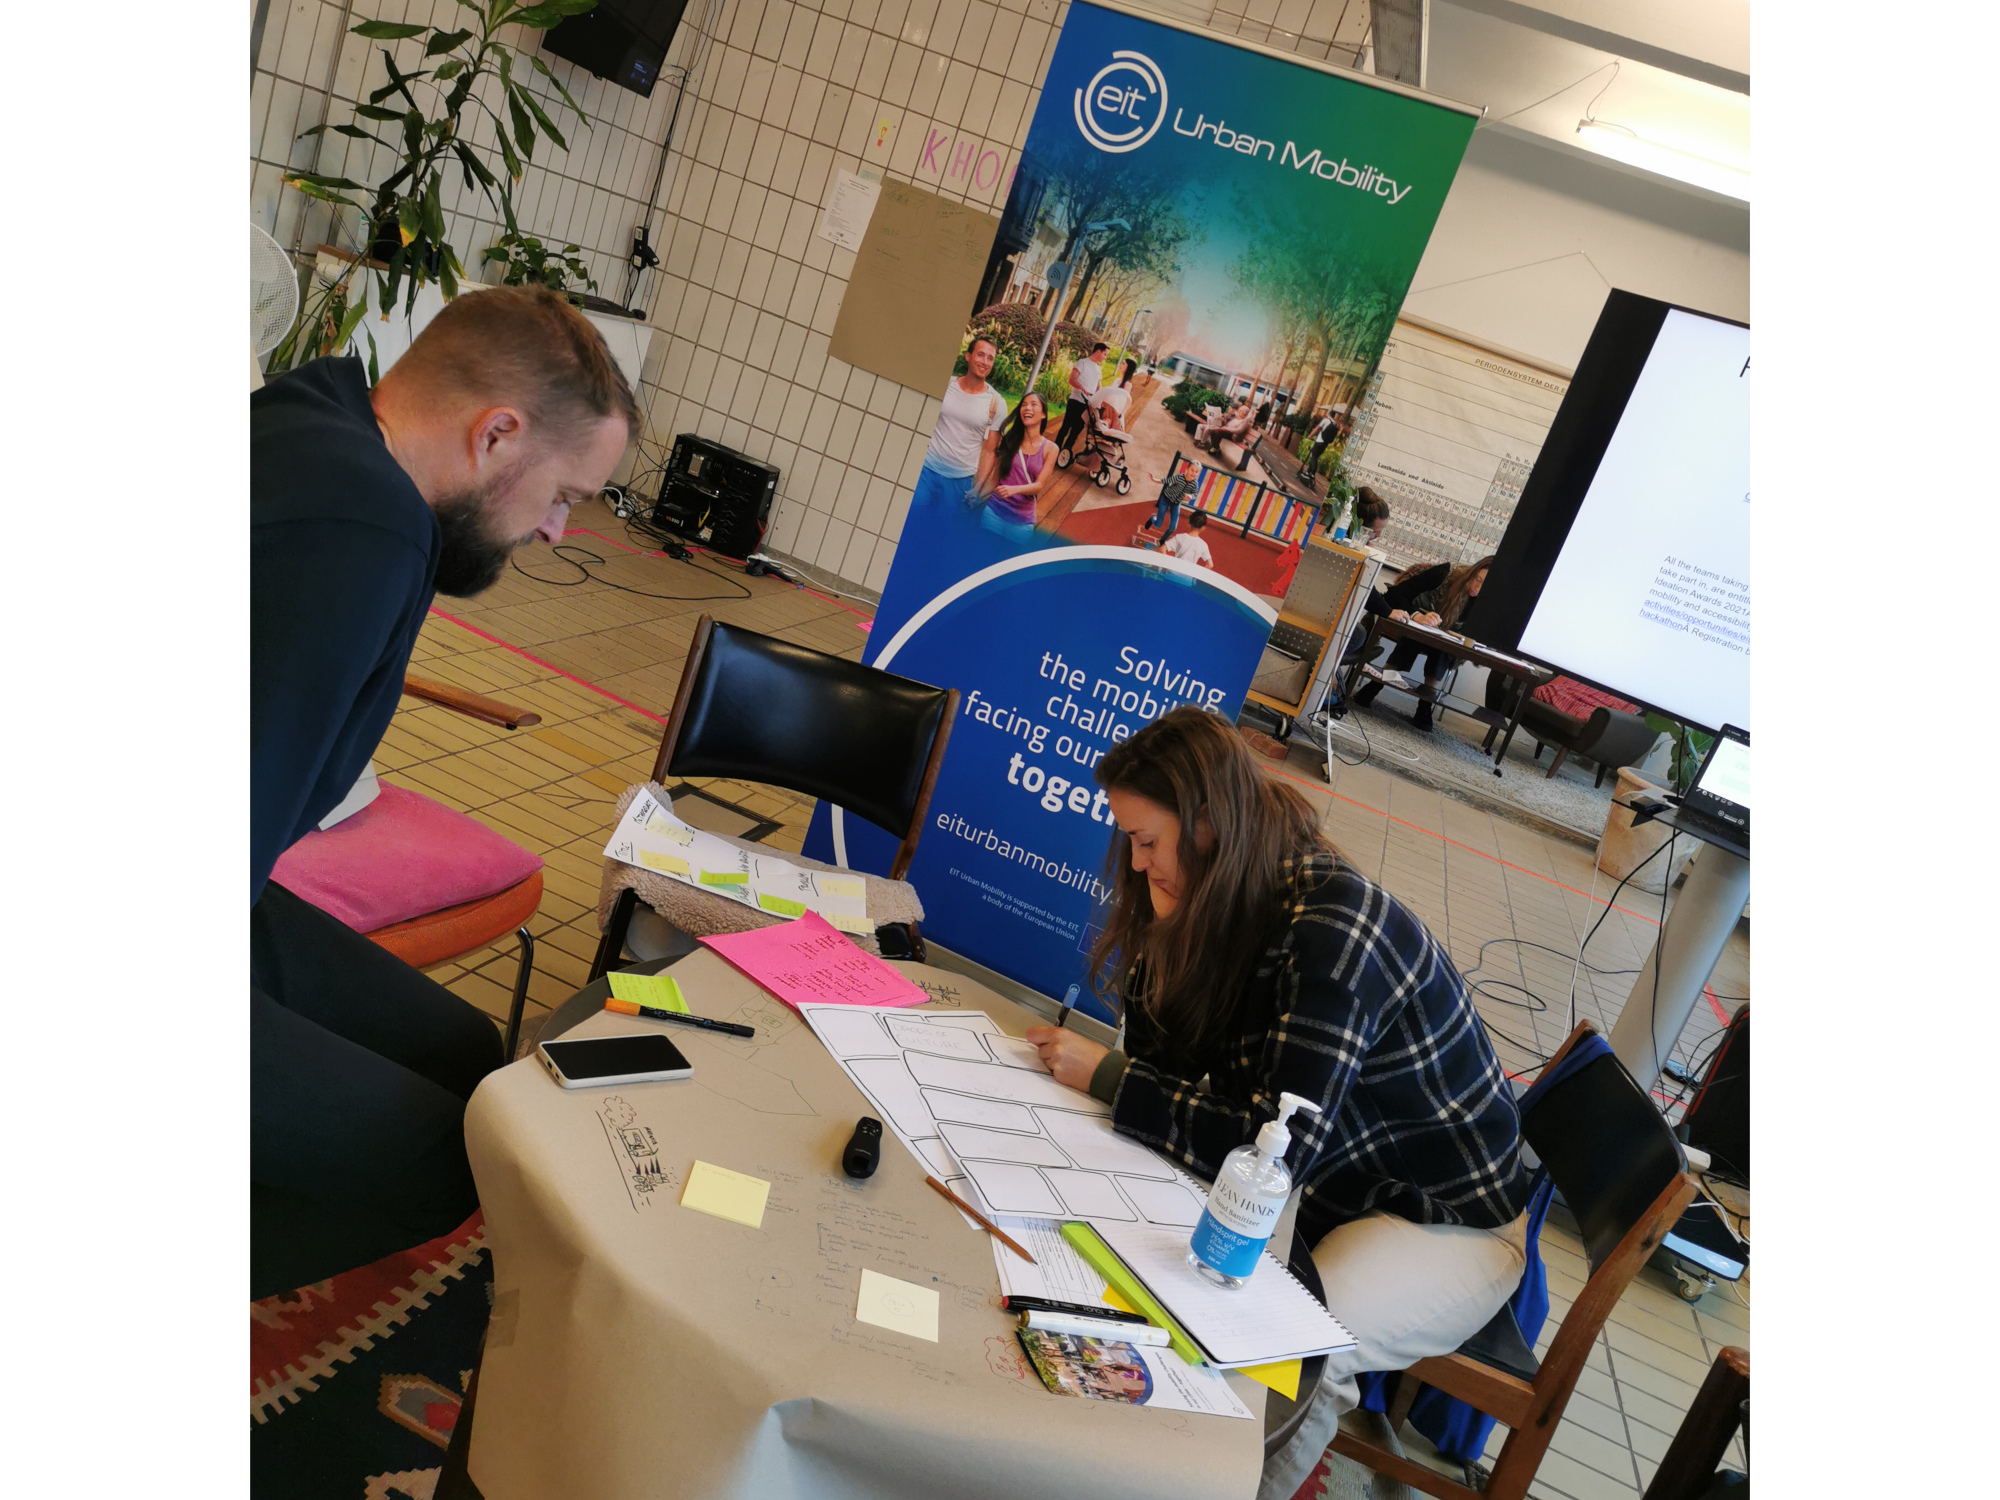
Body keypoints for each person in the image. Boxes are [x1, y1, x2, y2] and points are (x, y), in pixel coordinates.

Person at [1023, 709, 1529, 1500]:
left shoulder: (1333, 931)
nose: (1137, 862)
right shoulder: (1236, 887)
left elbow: (1273, 1149)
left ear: (1208, 824)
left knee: (1300, 1346)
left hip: (1444, 1218)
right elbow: (1175, 1068)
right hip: (1339, 1176)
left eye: (1148, 842)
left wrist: (1113, 1079)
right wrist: (1161, 947)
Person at [251, 285, 639, 1298]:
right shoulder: (363, 529)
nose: (558, 531)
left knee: (466, 1055)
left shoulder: (317, 414)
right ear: (496, 434)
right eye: (563, 494)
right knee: (439, 1158)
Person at [1349, 554, 1495, 732]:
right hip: (1412, 625)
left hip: (1443, 642)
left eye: (1485, 586)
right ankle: (1379, 685)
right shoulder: (1445, 574)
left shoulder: (1486, 604)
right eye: (1477, 579)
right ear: (1472, 572)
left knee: (1444, 645)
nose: (1477, 588)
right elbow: (1395, 594)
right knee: (1418, 634)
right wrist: (1417, 615)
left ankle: (1424, 702)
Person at [913, 335, 1008, 512]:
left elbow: (990, 451)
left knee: (943, 528)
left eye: (990, 358)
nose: (985, 362)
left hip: (960, 480)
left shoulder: (996, 403)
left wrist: (977, 489)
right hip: (925, 470)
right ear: (968, 356)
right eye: (980, 355)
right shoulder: (945, 385)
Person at [980, 391, 1055, 537]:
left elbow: (1039, 485)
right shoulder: (1009, 440)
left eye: (1033, 404)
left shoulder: (1051, 449)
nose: (1027, 408)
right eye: (1024, 405)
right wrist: (976, 495)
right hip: (993, 513)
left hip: (1022, 523)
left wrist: (1014, 490)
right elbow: (994, 481)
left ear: (1043, 414)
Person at [1056, 340, 1108, 453]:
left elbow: (1098, 387)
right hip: (1076, 400)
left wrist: (1102, 397)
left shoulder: (1098, 369)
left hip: (1088, 405)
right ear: (1098, 352)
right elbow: (1071, 379)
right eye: (1104, 354)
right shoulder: (1082, 363)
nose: (1105, 357)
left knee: (1076, 431)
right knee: (1066, 427)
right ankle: (1055, 449)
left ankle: (1065, 453)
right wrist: (1082, 388)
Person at [1146, 464, 1194, 541]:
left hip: (1176, 503)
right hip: (1165, 499)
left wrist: (1189, 497)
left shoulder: (1195, 484)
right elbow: (1166, 481)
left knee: (1173, 527)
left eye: (1196, 471)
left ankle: (1162, 540)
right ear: (1187, 470)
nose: (1194, 473)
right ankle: (1153, 518)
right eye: (1192, 470)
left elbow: (1194, 494)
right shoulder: (1179, 477)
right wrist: (1153, 479)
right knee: (1158, 525)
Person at [1300, 407, 1341, 488]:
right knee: (1315, 457)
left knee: (1314, 456)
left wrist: (1310, 436)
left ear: (1329, 414)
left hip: (1319, 441)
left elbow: (1317, 428)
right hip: (1325, 444)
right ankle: (1308, 472)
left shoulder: (1326, 420)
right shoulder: (1334, 424)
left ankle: (1312, 473)